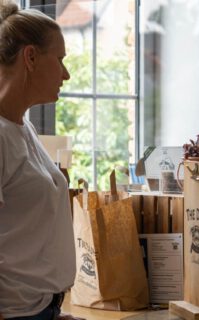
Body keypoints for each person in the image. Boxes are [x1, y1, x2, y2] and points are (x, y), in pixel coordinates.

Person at [0, 1, 80, 319]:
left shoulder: (23, 127)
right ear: (30, 57)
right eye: (59, 59)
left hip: (40, 309)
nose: (66, 74)